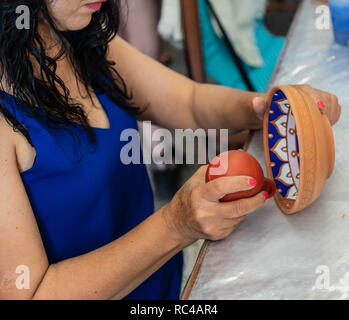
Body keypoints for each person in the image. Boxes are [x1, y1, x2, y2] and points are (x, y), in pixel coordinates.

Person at [0, 0, 341, 300]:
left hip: (170, 287)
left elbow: (188, 103)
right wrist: (176, 225)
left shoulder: (74, 37)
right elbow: (31, 293)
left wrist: (264, 107)